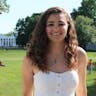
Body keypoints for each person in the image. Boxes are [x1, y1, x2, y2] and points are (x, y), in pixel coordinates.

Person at [22, 7, 88, 96]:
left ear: (68, 26)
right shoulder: (31, 57)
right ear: (44, 28)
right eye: (50, 24)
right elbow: (27, 94)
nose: (56, 29)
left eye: (61, 24)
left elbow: (82, 92)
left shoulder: (80, 55)